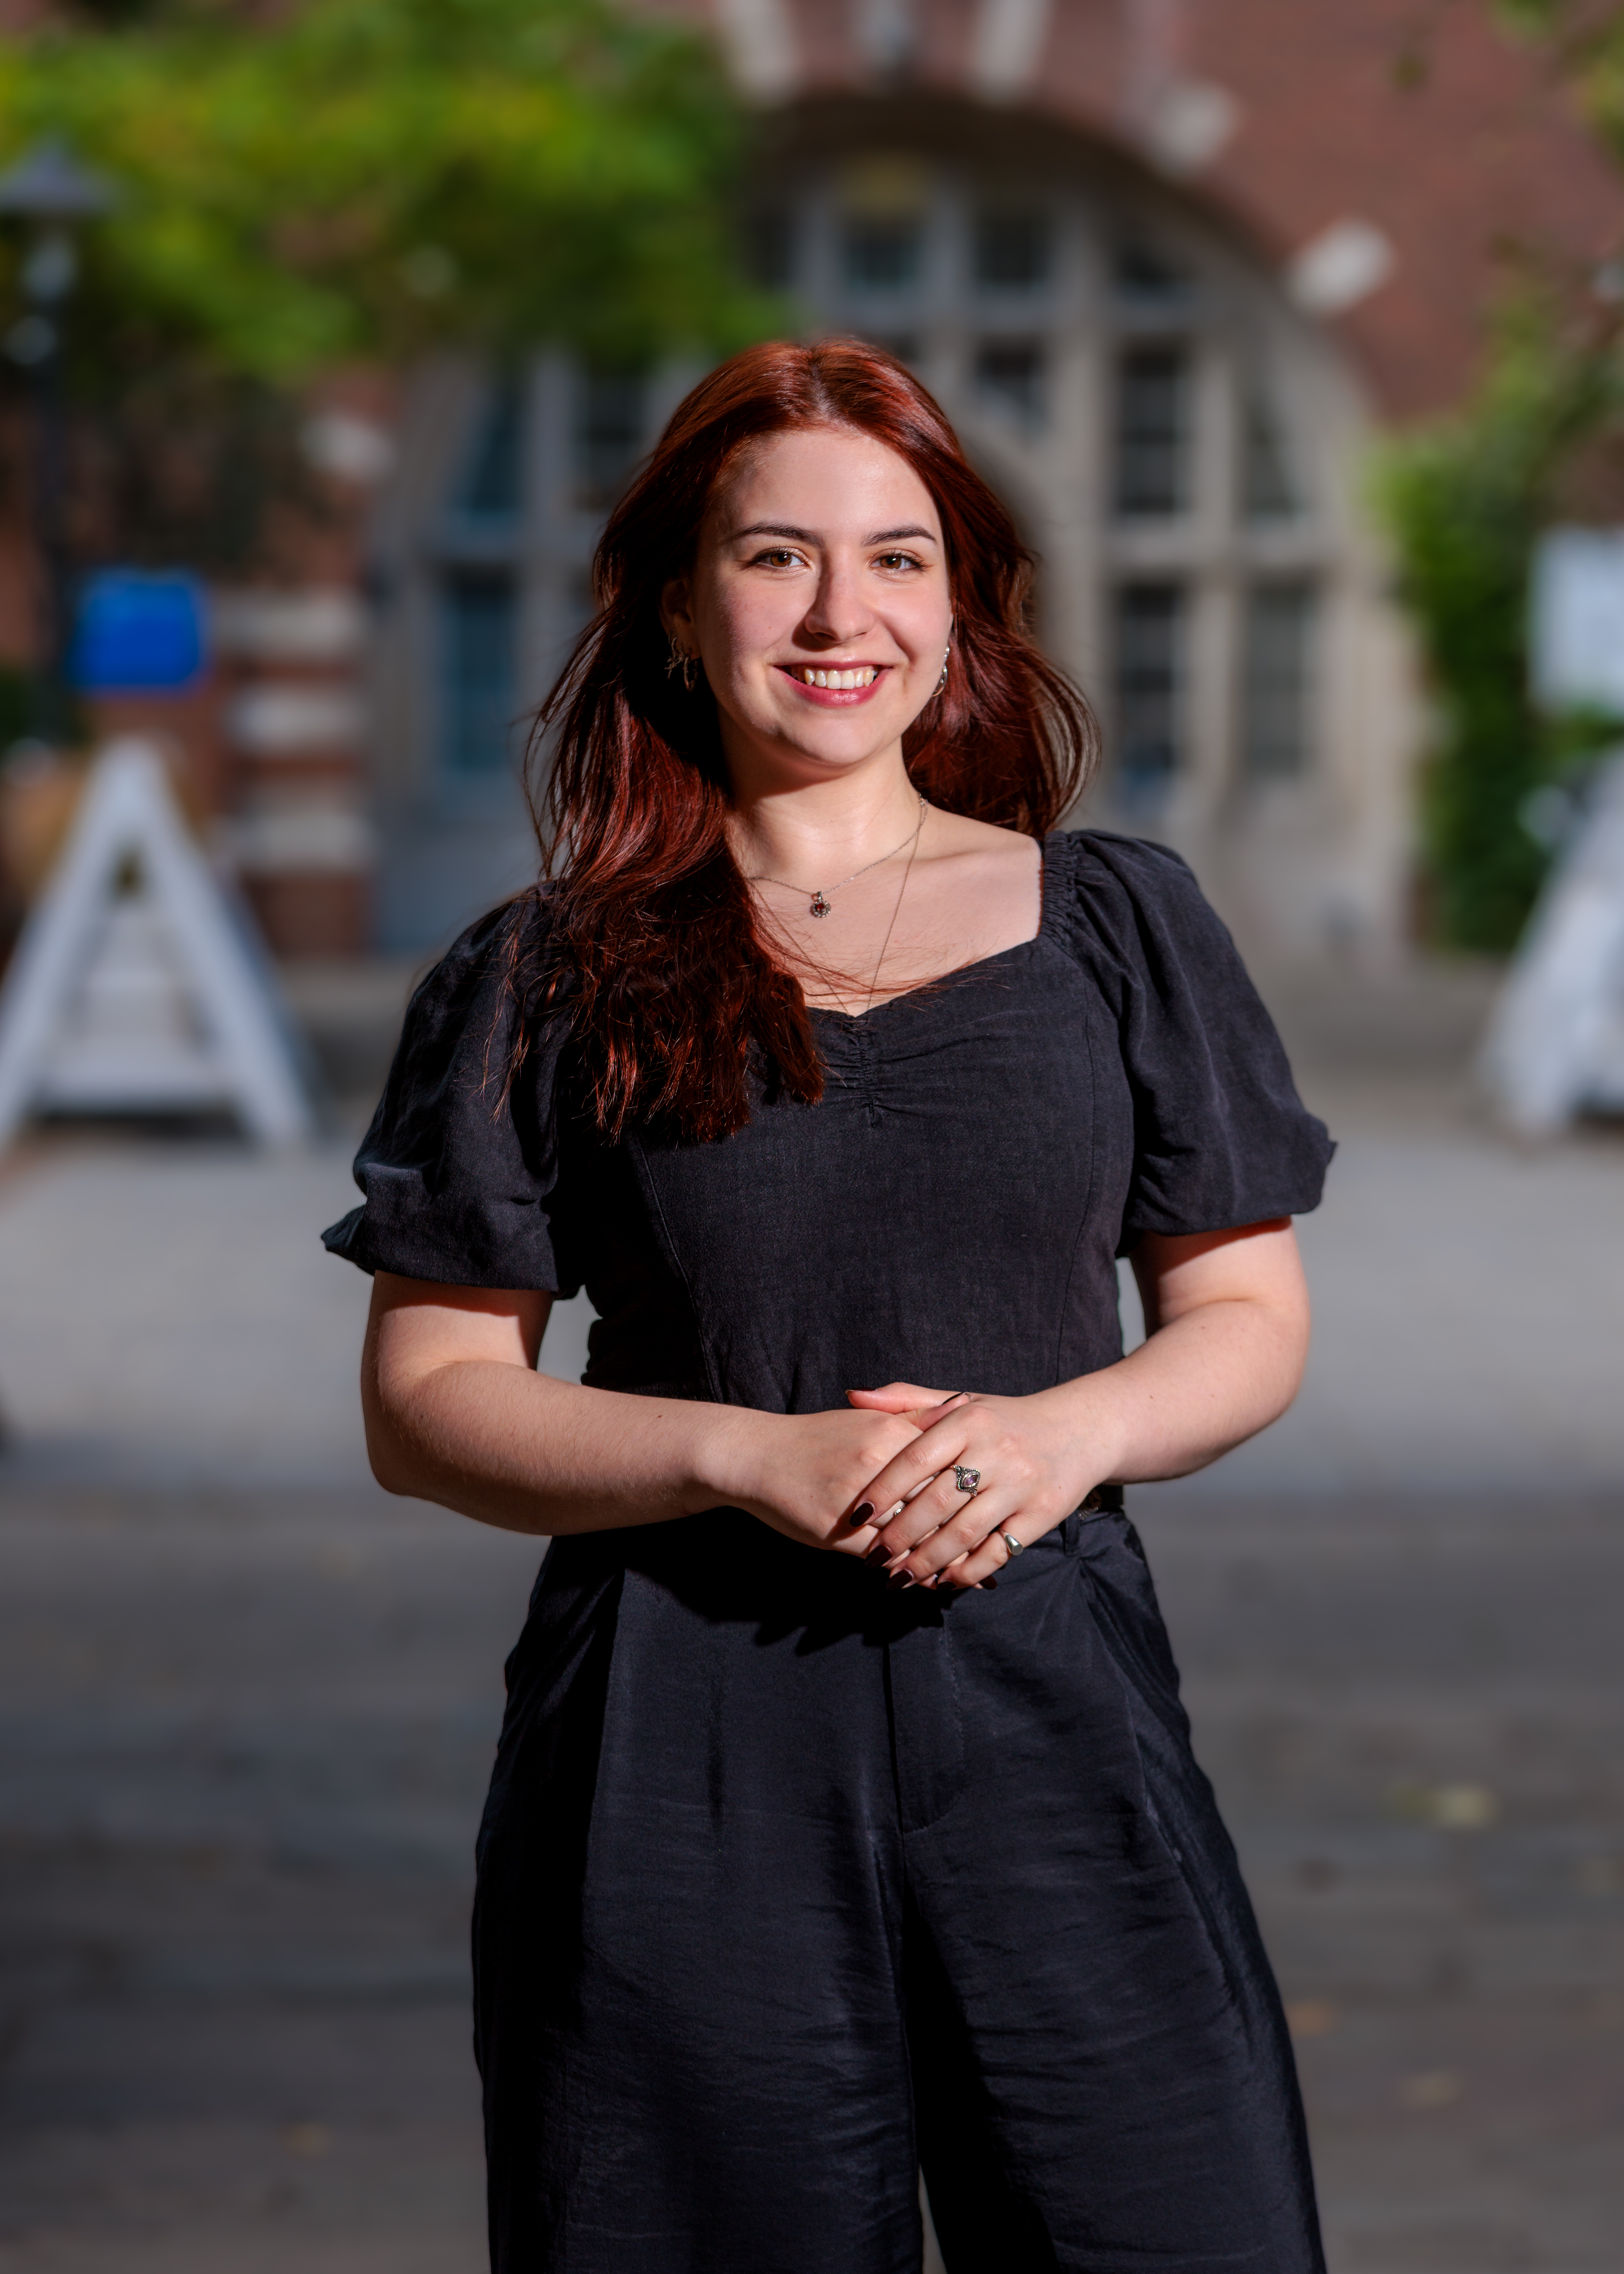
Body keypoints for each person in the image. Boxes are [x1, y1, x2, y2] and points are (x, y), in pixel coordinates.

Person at [324, 338, 1334, 2274]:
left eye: (898, 556)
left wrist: (1069, 1429)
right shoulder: (545, 973)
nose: (839, 611)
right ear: (682, 611)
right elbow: (428, 1393)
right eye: (777, 556)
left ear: (960, 611)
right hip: (676, 1744)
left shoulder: (1120, 924)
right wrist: (743, 1450)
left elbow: (1248, 1319)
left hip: (1055, 1700)